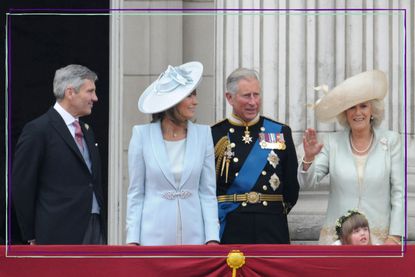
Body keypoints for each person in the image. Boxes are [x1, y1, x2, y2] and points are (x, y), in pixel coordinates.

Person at [298, 69, 404, 245]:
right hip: (338, 240)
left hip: (380, 240)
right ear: (345, 113)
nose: (358, 113)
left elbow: (399, 193)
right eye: (351, 108)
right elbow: (308, 183)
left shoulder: (391, 141)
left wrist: (395, 236)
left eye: (363, 106)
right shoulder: (332, 142)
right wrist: (308, 158)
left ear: (373, 110)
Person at [126, 61, 220, 246]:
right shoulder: (141, 135)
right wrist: (132, 240)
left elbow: (207, 192)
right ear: (172, 101)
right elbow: (136, 193)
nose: (196, 102)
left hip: (195, 237)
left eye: (195, 95)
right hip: (153, 236)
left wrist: (212, 237)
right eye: (189, 96)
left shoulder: (203, 134)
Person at [12, 64, 106, 245]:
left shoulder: (87, 130)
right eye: (90, 91)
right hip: (57, 231)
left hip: (93, 226)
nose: (95, 98)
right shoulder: (38, 130)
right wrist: (30, 234)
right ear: (70, 92)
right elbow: (23, 185)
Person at [211, 68, 300, 244]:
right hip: (231, 225)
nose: (253, 102)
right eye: (246, 96)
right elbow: (208, 187)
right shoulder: (214, 134)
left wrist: (273, 212)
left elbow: (291, 187)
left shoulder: (280, 131)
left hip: (271, 224)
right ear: (229, 98)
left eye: (256, 95)